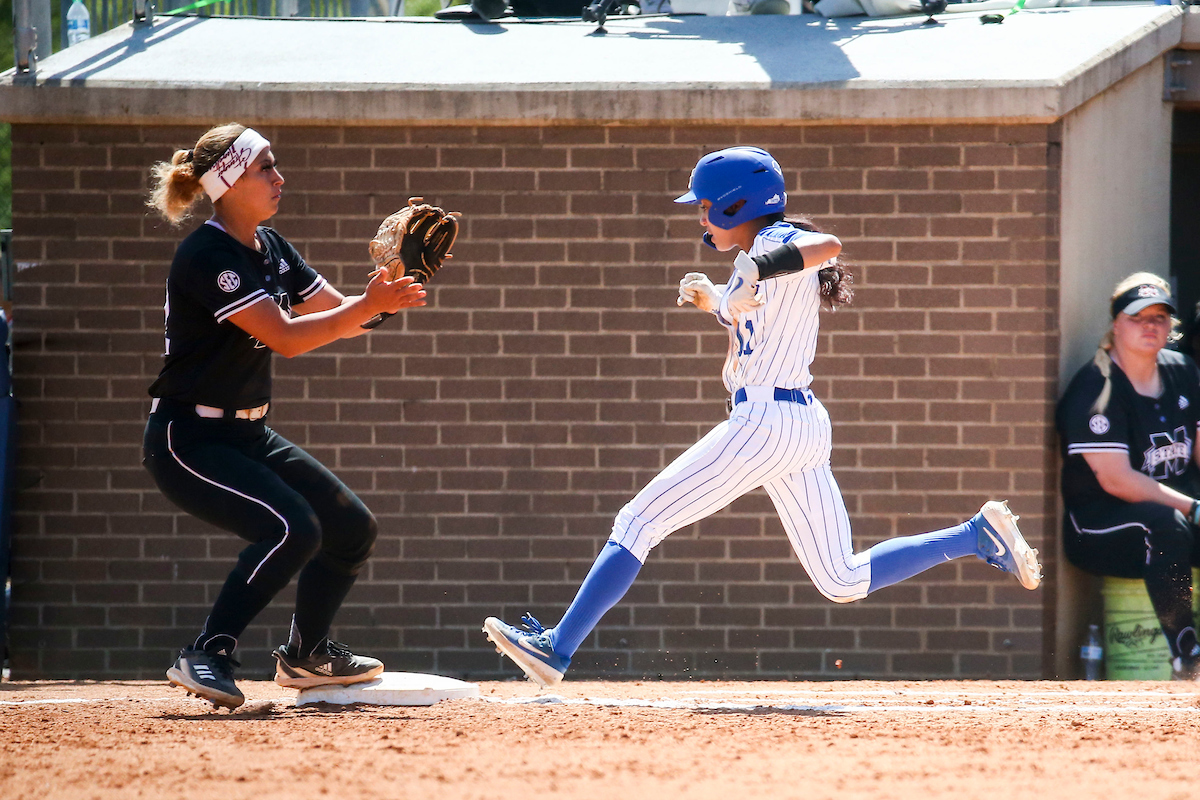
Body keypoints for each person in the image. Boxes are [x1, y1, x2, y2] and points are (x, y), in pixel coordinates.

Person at [483, 146, 1043, 686]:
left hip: (766, 423)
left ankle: (556, 647)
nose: (700, 217)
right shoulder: (752, 256)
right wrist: (713, 300)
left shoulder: (778, 242)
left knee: (637, 522)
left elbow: (829, 244)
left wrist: (759, 268)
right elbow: (749, 310)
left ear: (735, 206)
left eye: (704, 206)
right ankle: (976, 536)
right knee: (841, 579)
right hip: (796, 425)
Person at [144, 123, 427, 709]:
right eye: (263, 168)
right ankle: (207, 652)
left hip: (246, 432)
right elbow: (288, 339)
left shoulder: (269, 245)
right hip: (188, 439)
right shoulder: (208, 254)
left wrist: (389, 295)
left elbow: (338, 311)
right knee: (293, 527)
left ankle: (307, 655)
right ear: (227, 182)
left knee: (351, 529)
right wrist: (367, 308)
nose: (279, 177)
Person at [1056, 272, 1200, 680]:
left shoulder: (1182, 370)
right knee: (1166, 523)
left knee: (1171, 521)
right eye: (1139, 317)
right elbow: (1117, 481)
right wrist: (1193, 507)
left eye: (1160, 317)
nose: (1150, 326)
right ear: (1116, 323)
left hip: (1173, 512)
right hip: (1099, 529)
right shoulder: (1096, 387)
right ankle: (1187, 659)